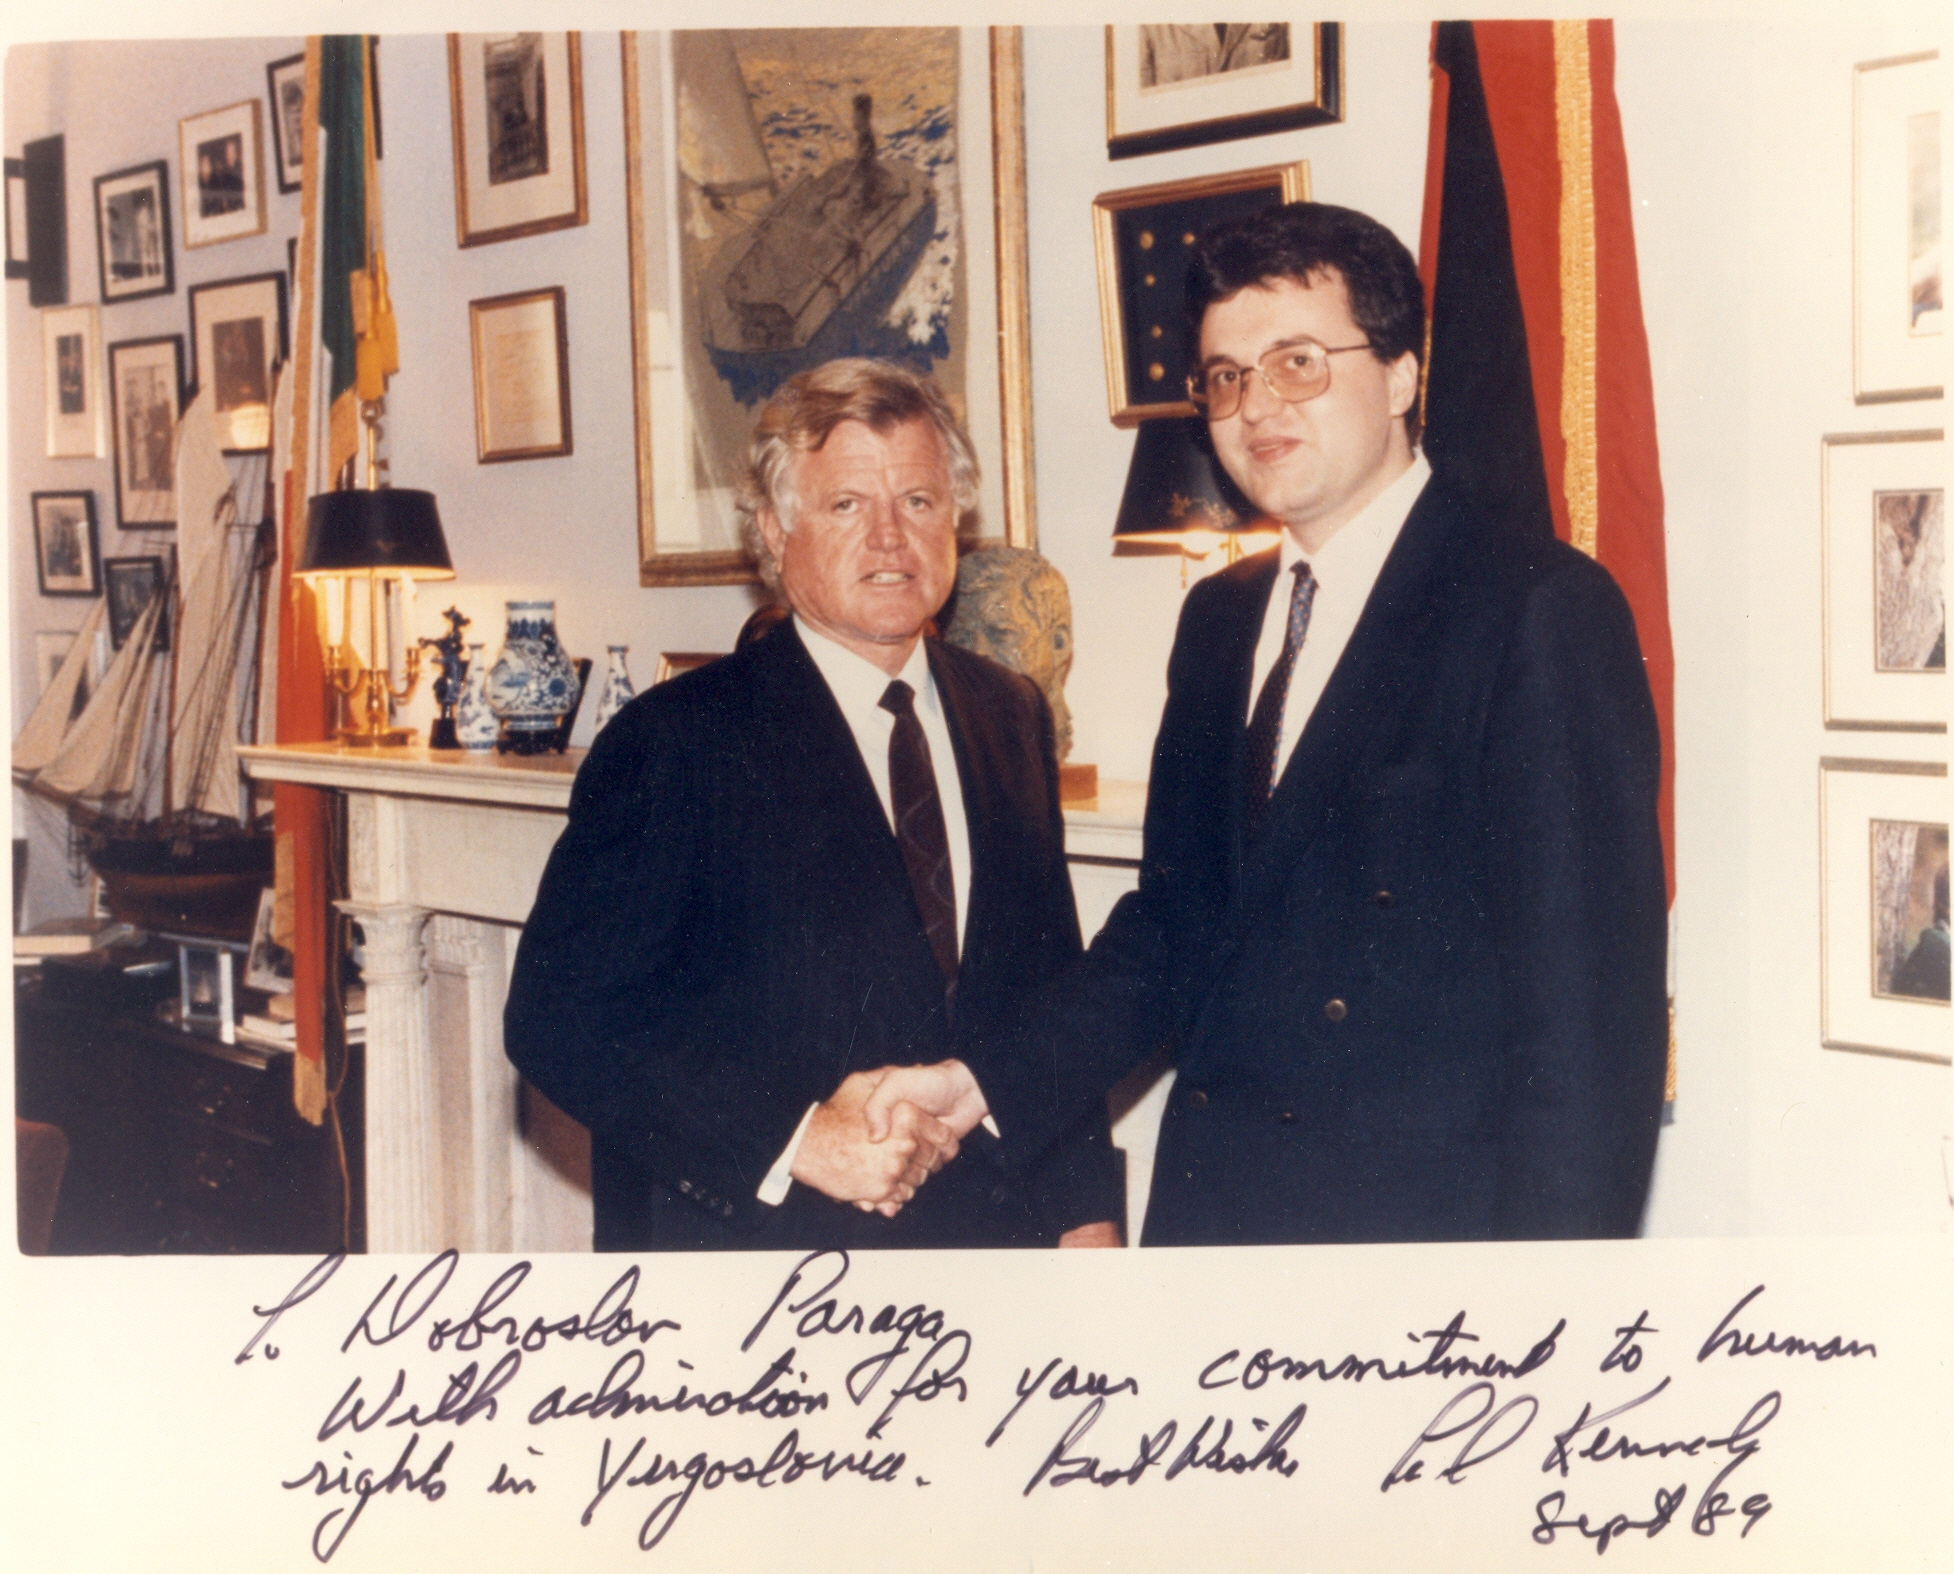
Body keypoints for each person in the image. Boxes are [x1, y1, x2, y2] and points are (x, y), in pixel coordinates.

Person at [867, 202, 1669, 1245]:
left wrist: (1536, 1326)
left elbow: (1588, 1033)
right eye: (1226, 376)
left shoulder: (1532, 607)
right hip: (1218, 1219)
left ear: (1400, 376)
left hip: (1422, 1258)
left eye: (1297, 361)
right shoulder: (1219, 618)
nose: (1255, 406)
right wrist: (979, 1081)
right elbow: (1171, 930)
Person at [503, 358, 1121, 1251]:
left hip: (997, 1247)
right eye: (846, 506)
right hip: (769, 1262)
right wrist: (795, 1137)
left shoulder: (1010, 711)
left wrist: (1084, 1213)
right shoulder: (674, 741)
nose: (889, 539)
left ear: (956, 521)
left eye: (917, 501)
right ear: (773, 530)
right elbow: (559, 1017)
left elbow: (1047, 989)